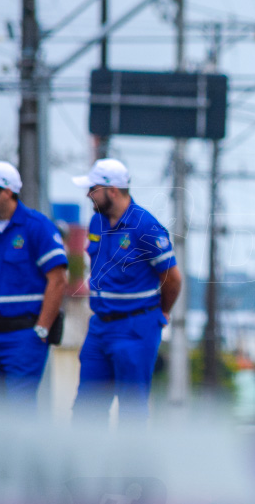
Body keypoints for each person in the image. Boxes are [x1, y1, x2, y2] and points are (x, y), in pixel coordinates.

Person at [71, 158, 182, 422]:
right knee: (86, 411)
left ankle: (129, 465)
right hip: (100, 328)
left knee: (132, 412)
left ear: (112, 191)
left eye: (93, 188)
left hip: (136, 328)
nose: (88, 194)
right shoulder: (97, 222)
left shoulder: (146, 227)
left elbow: (173, 278)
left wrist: (162, 311)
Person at [0, 161, 67, 410]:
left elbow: (58, 280)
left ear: (6, 192)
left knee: (19, 413)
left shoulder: (37, 227)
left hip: (22, 338)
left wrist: (40, 331)